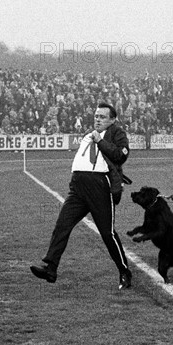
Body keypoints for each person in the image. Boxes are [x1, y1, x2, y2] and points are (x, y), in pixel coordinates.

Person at [30, 103, 133, 289]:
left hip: (99, 186)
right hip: (78, 187)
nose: (98, 119)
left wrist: (99, 141)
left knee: (107, 233)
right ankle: (50, 267)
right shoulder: (88, 133)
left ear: (112, 119)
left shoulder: (116, 133)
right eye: (96, 116)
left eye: (102, 117)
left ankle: (124, 271)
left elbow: (120, 155)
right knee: (62, 225)